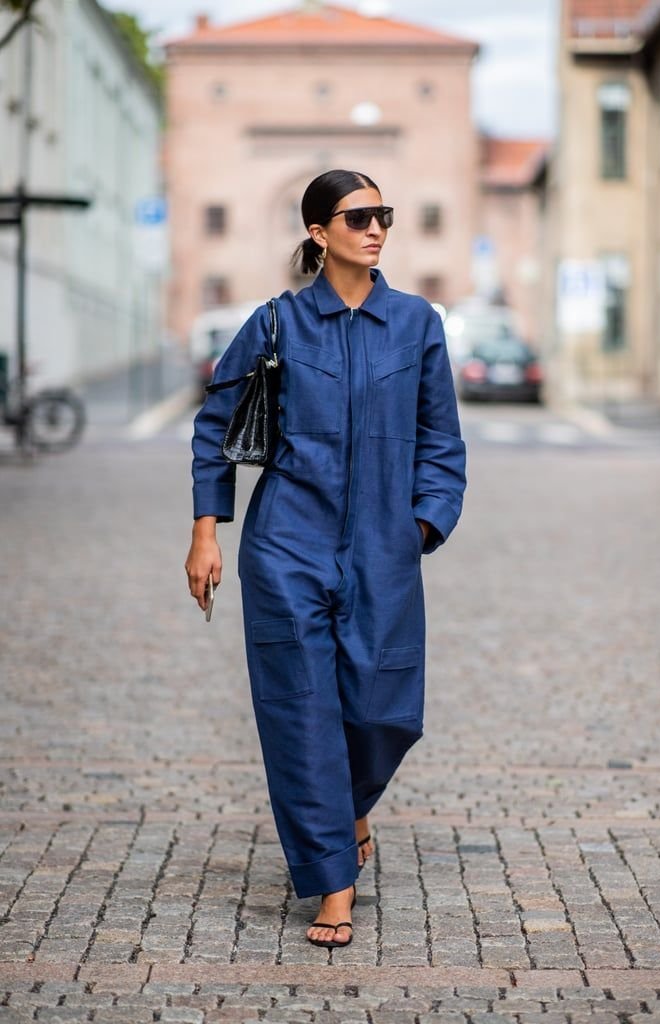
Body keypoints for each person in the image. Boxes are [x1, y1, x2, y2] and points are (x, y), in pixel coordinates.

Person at [185, 169, 466, 950]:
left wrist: (423, 526)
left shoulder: (415, 324)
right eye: (359, 217)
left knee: (384, 705)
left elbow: (441, 440)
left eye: (385, 216)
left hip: (385, 544)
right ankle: (332, 886)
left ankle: (350, 807)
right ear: (319, 233)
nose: (376, 229)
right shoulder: (275, 324)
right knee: (301, 712)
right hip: (285, 544)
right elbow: (216, 427)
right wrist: (208, 530)